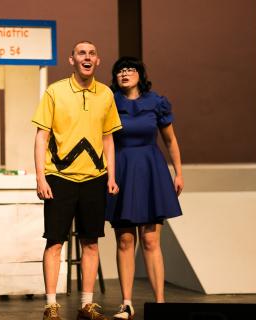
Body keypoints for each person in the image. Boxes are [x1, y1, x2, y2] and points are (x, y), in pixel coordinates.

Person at [32, 40, 122, 320]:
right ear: (72, 60)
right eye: (81, 53)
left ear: (98, 61)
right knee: (55, 242)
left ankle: (86, 304)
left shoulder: (106, 94)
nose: (87, 57)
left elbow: (108, 137)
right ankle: (51, 305)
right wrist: (40, 177)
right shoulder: (55, 91)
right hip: (59, 177)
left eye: (92, 53)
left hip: (94, 178)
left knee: (91, 242)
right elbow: (41, 137)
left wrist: (111, 175)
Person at [105, 56, 183, 320]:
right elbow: (105, 142)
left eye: (130, 69)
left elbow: (170, 140)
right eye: (120, 71)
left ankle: (159, 304)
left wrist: (178, 172)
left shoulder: (156, 102)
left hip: (151, 171)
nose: (125, 74)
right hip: (122, 171)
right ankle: (126, 303)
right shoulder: (110, 102)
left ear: (140, 74)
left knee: (150, 239)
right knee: (125, 239)